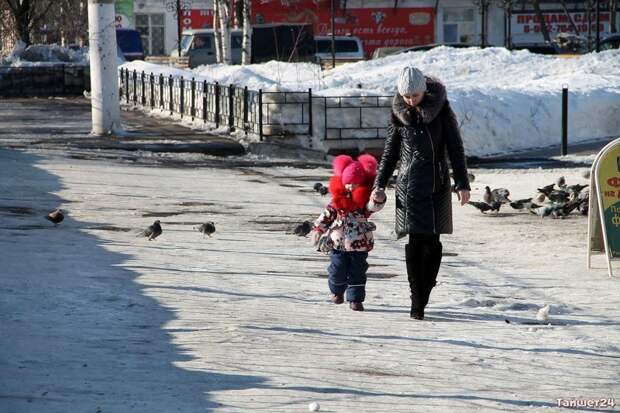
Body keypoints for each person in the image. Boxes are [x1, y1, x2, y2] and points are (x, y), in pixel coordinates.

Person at [372, 66, 471, 320]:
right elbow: (390, 153)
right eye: (406, 96)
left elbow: (455, 149)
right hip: (408, 187)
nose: (410, 101)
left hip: (436, 185)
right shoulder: (399, 114)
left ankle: (424, 292)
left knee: (433, 245)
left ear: (424, 92)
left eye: (414, 96)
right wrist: (379, 186)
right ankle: (417, 301)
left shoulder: (442, 110)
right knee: (415, 243)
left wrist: (462, 183)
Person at [311, 154, 386, 312]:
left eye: (355, 184)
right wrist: (319, 229)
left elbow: (373, 206)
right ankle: (337, 291)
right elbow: (327, 215)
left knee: (357, 272)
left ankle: (355, 299)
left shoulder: (363, 202)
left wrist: (378, 199)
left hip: (359, 243)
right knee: (337, 269)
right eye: (349, 183)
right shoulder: (337, 201)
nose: (351, 187)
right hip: (337, 243)